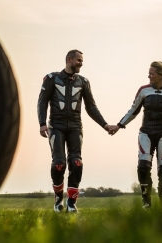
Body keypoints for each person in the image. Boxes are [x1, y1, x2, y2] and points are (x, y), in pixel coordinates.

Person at [38, 49, 114, 213]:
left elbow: (91, 107)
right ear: (69, 59)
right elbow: (42, 102)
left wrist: (105, 124)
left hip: (75, 127)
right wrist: (42, 123)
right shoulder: (51, 79)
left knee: (76, 163)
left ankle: (71, 203)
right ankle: (58, 199)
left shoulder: (84, 82)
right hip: (56, 127)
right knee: (59, 164)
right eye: (78, 60)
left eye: (82, 60)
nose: (81, 63)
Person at [109, 61, 162, 209]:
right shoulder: (143, 90)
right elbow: (133, 110)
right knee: (143, 166)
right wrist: (118, 125)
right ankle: (146, 201)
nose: (148, 76)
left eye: (151, 73)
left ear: (161, 75)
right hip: (146, 132)